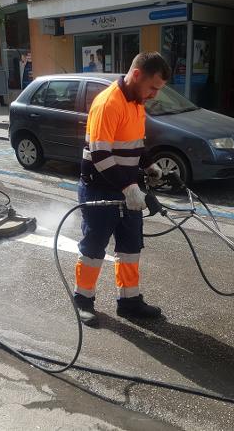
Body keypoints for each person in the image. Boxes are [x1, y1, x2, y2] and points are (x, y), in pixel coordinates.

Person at [73, 52, 170, 327]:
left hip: (128, 190)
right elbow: (100, 154)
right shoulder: (108, 103)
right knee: (93, 247)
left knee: (130, 248)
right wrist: (129, 188)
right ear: (137, 75)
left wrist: (150, 165)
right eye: (153, 87)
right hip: (100, 190)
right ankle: (82, 299)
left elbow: (134, 145)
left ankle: (129, 301)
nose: (154, 94)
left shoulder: (137, 103)